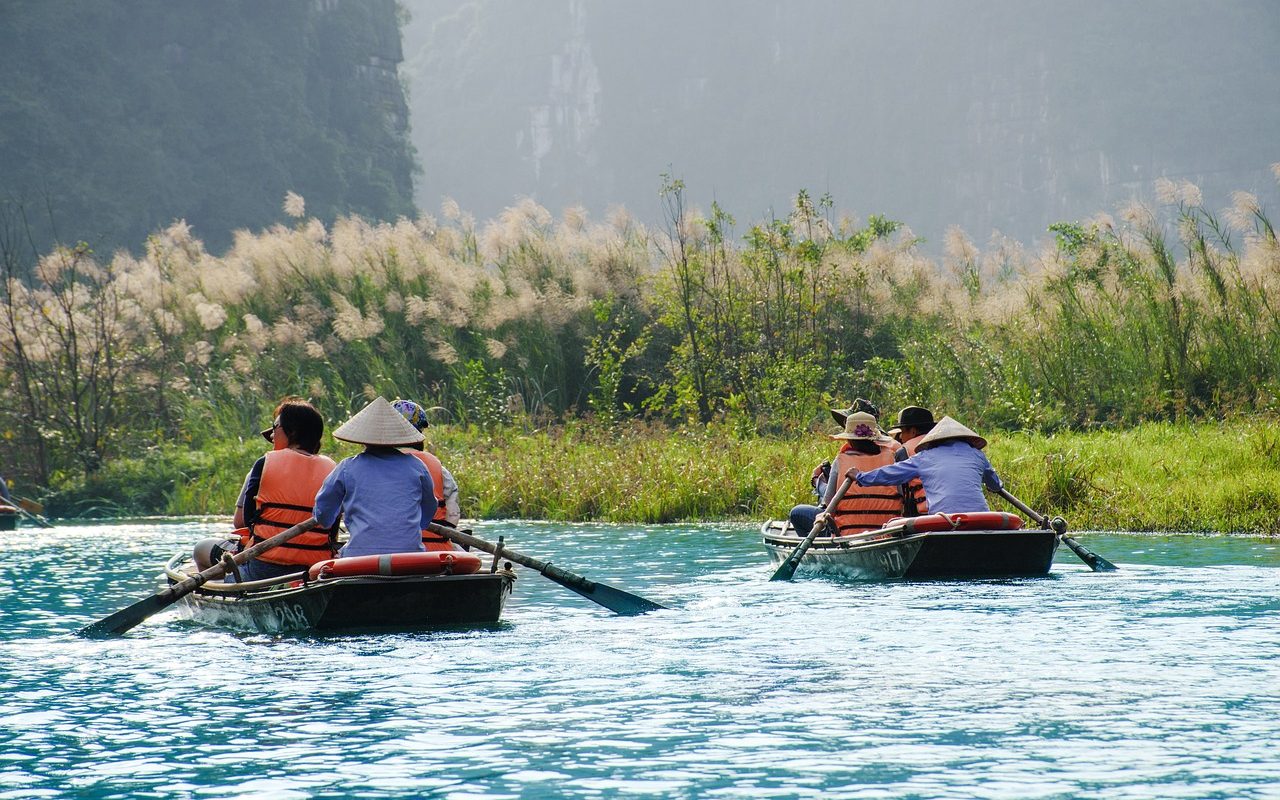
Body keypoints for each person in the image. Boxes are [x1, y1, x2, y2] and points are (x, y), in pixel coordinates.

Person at [198, 399, 339, 582]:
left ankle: (220, 594)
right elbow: (332, 527)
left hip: (262, 567)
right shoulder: (333, 470)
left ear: (292, 431)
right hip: (312, 569)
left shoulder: (264, 463)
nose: (272, 435)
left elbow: (247, 520)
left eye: (275, 427)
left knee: (200, 549)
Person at [313, 396, 436, 558]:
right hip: (410, 555)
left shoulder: (346, 468)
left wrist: (330, 517)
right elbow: (428, 511)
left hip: (360, 556)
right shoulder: (417, 466)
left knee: (339, 555)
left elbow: (323, 515)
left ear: (362, 438)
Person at [853, 416, 1003, 514]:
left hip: (944, 517)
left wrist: (860, 477)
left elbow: (890, 473)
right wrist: (993, 485)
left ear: (935, 440)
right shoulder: (977, 455)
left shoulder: (925, 457)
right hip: (981, 515)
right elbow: (995, 484)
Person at [789, 411, 903, 537]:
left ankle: (818, 551)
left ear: (850, 439)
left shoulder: (841, 461)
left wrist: (817, 481)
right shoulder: (892, 458)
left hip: (848, 534)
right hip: (886, 533)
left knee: (796, 512)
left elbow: (828, 503)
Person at [392, 398, 462, 551]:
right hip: (436, 549)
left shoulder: (374, 465)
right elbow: (452, 515)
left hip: (387, 550)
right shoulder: (439, 469)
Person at [886, 406, 936, 516]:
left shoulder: (904, 452)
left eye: (902, 432)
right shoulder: (945, 445)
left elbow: (901, 490)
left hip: (921, 514)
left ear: (913, 432)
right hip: (951, 509)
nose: (901, 438)